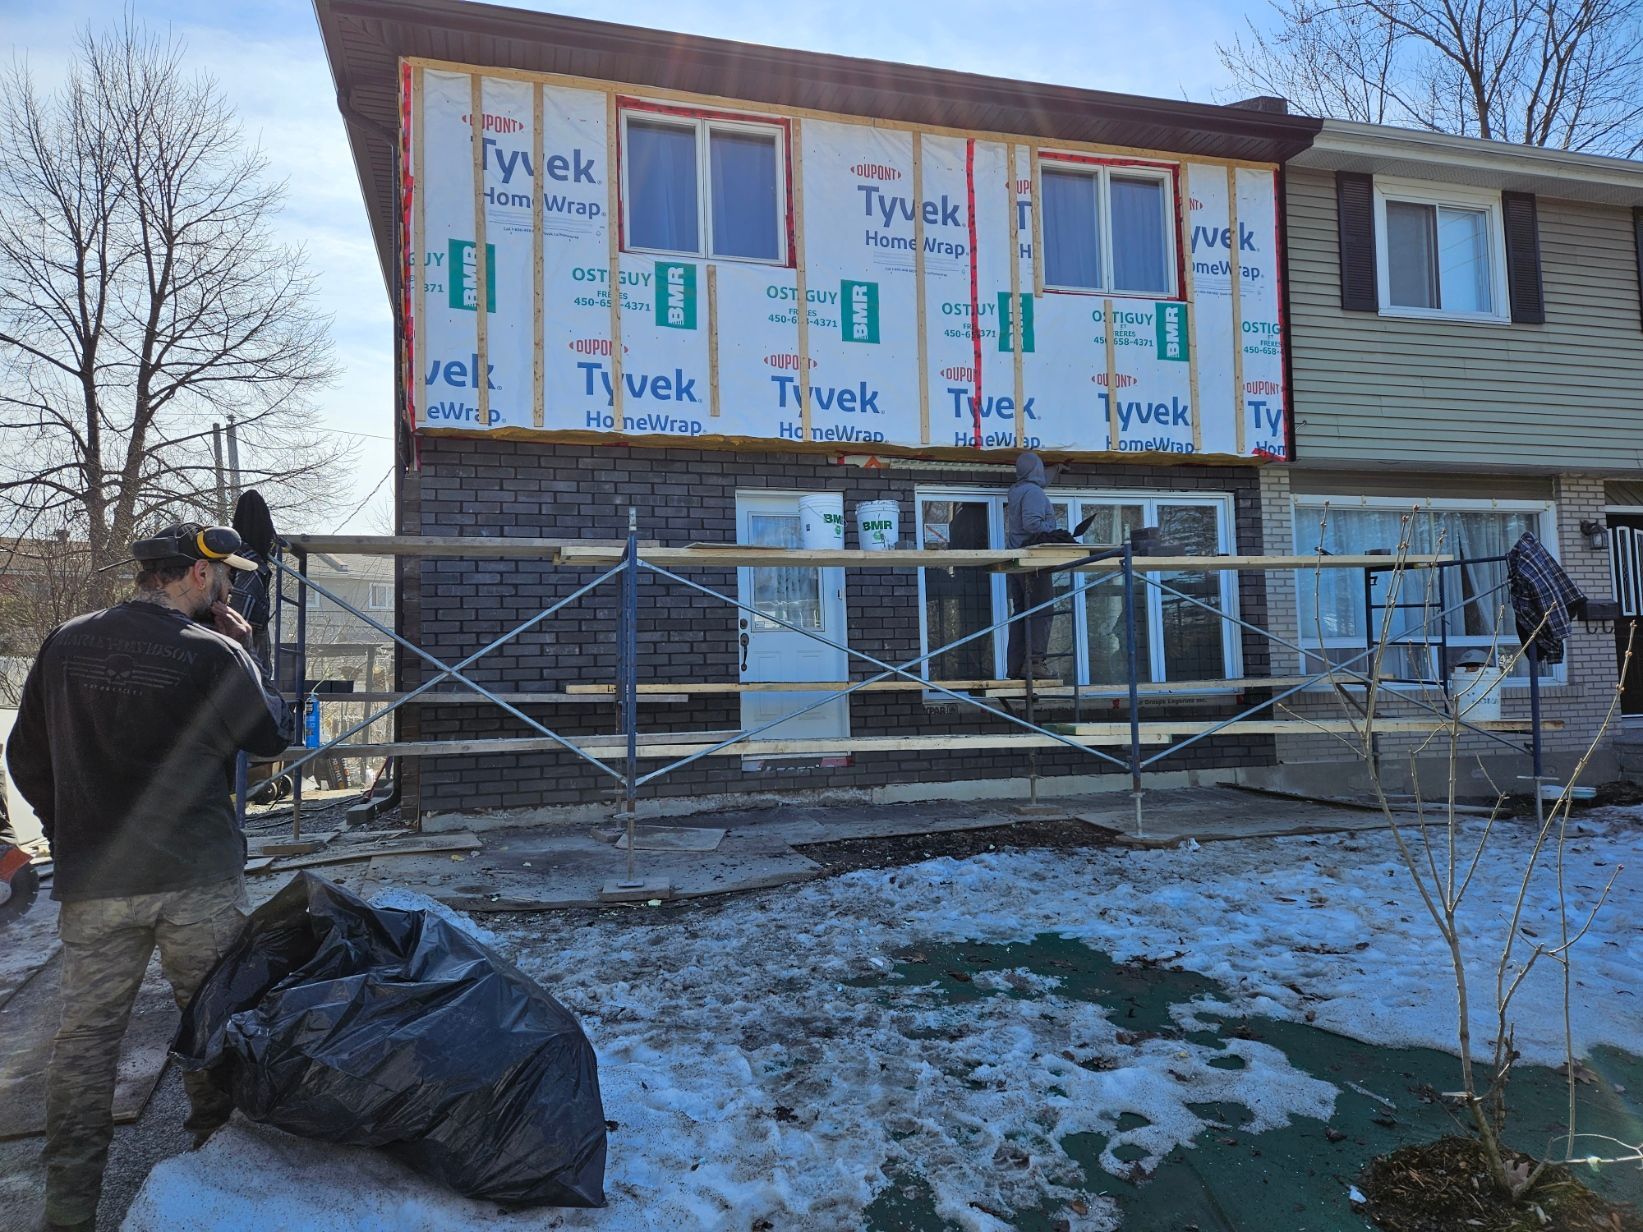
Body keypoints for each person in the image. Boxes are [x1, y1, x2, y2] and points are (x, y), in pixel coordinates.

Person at [6, 522, 296, 1232]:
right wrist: (243, 650)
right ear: (197, 576)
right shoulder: (212, 649)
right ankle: (213, 1161)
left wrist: (74, 826)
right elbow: (270, 738)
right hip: (194, 874)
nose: (228, 589)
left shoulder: (67, 640)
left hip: (96, 880)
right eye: (223, 577)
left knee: (84, 1043)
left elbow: (24, 757)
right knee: (211, 1016)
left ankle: (69, 1209)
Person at [1004, 451, 1063, 679]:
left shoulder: (1017, 491)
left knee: (1022, 613)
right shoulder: (1034, 493)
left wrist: (1056, 469)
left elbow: (1037, 484)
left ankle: (1016, 667)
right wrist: (1054, 527)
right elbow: (1032, 524)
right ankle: (1036, 663)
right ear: (1035, 469)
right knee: (1042, 610)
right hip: (1034, 561)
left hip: (1017, 562)